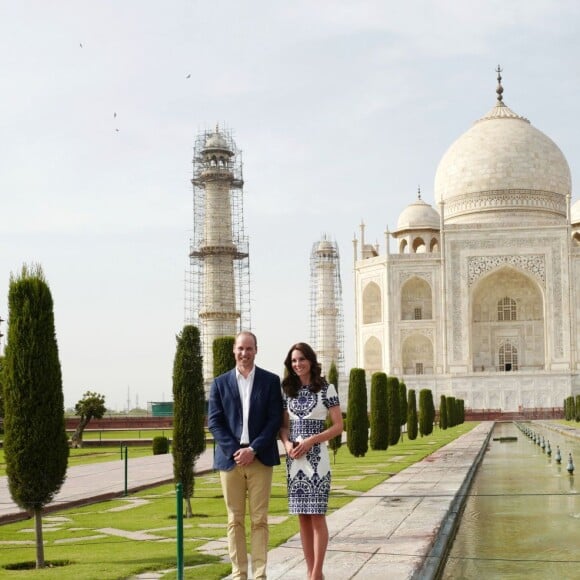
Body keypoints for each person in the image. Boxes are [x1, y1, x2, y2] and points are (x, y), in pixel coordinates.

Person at [208, 331, 283, 580]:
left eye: (249, 348)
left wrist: (253, 449)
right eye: (241, 348)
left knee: (260, 519)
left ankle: (259, 574)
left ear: (256, 350)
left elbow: (274, 420)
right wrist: (236, 451)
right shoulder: (220, 383)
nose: (244, 353)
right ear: (234, 350)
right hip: (231, 460)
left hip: (259, 457)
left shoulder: (270, 381)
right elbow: (215, 422)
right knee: (234, 520)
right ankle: (239, 574)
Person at [279, 342, 343, 580]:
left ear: (311, 361)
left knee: (317, 515)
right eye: (294, 361)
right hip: (294, 460)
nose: (298, 364)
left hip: (317, 460)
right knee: (302, 517)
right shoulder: (288, 390)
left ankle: (316, 574)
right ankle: (310, 571)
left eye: (301, 359)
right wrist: (286, 444)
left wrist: (311, 441)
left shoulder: (326, 388)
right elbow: (284, 426)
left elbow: (338, 426)